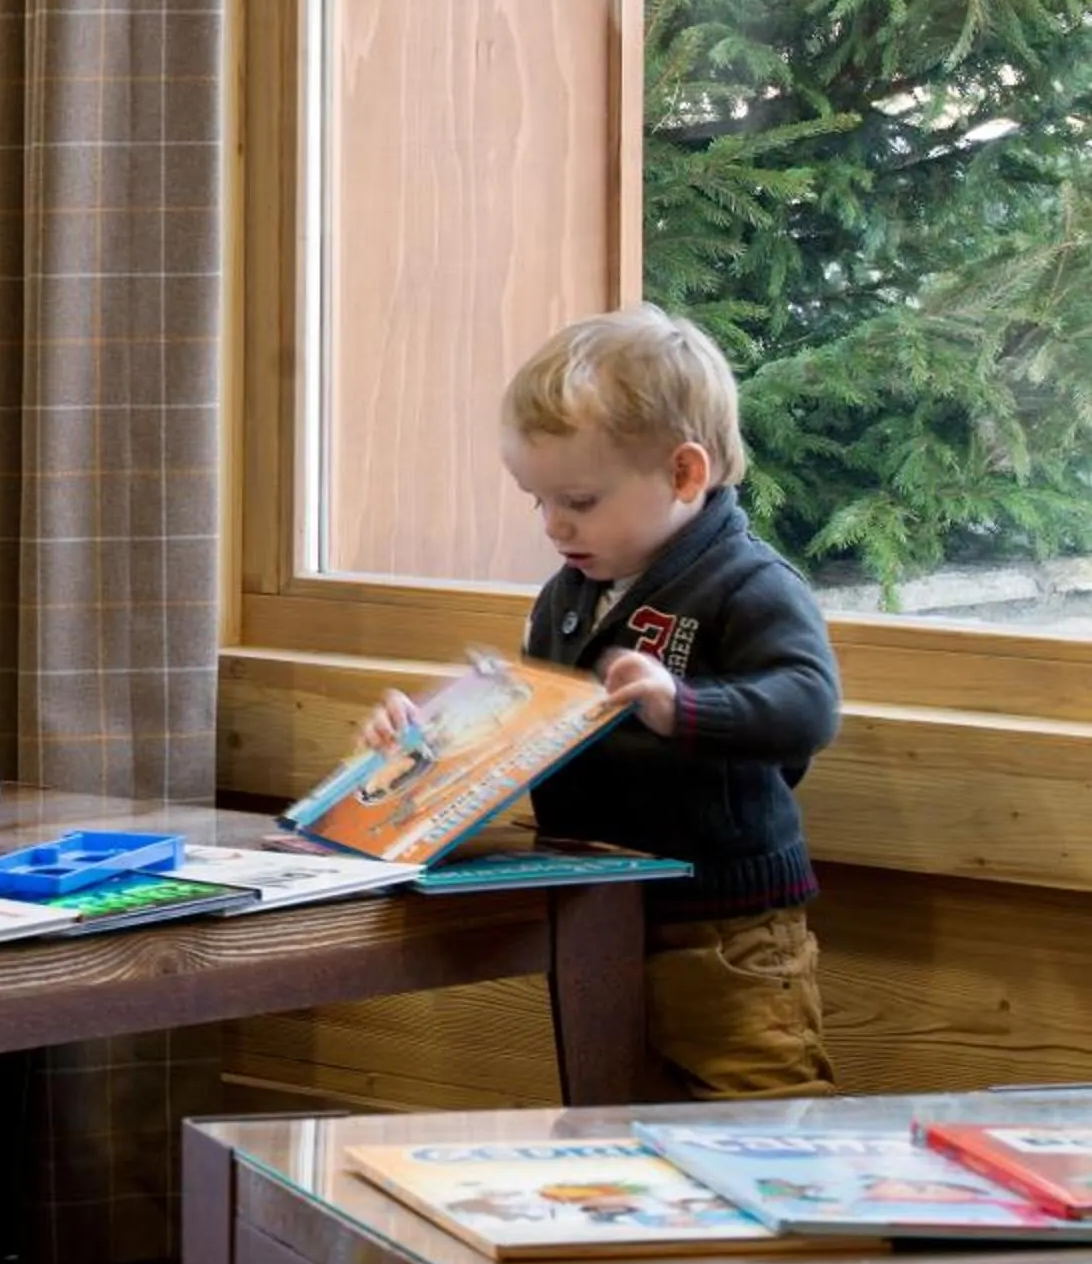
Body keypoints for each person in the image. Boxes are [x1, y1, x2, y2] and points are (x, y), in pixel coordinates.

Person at [361, 305, 843, 1098]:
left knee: (762, 1116)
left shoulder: (749, 584)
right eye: (537, 500)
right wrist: (425, 743)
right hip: (596, 913)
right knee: (617, 1116)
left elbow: (807, 707)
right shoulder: (569, 592)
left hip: (719, 926)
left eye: (578, 501)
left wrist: (680, 706)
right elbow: (536, 721)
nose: (553, 525)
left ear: (685, 475)